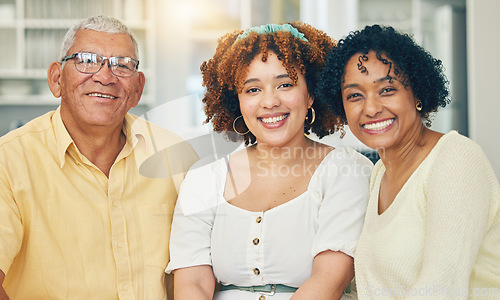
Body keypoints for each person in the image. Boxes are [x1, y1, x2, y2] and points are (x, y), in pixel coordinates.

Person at [165, 22, 373, 300]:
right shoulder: (205, 178)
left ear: (311, 94)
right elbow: (192, 284)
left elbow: (328, 282)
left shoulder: (346, 171)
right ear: (236, 100)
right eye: (252, 90)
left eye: (285, 84)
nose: (269, 101)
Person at [0, 16, 198, 299]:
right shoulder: (8, 161)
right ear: (56, 79)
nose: (105, 77)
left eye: (122, 65)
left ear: (138, 88)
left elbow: (207, 269)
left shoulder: (175, 156)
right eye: (87, 60)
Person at [317, 24, 500, 299]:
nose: (371, 108)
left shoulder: (456, 157)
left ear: (417, 93)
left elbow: (442, 288)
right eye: (355, 95)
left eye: (387, 90)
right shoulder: (379, 174)